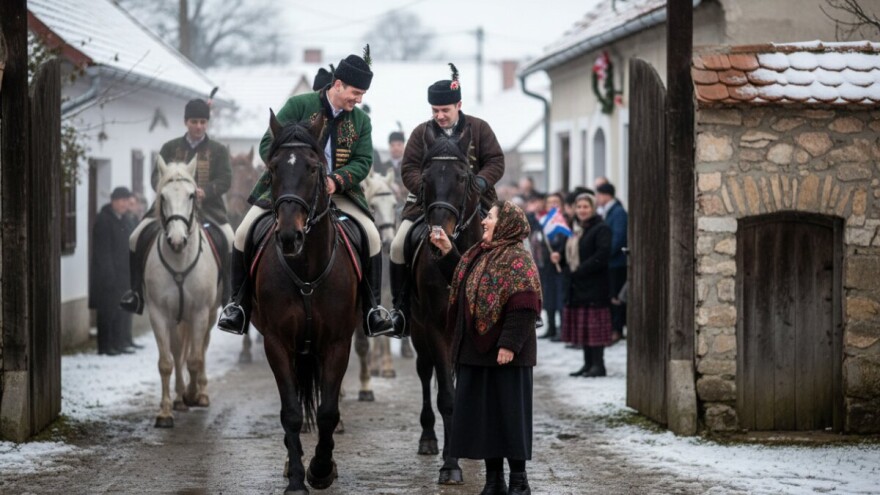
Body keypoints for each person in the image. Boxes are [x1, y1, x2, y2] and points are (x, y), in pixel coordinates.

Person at [218, 47, 396, 337]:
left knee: (372, 236)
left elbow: (363, 161)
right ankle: (237, 306)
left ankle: (373, 309)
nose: (359, 99)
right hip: (290, 190)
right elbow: (267, 144)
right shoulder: (299, 105)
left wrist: (336, 181)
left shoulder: (361, 121)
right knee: (242, 233)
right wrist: (292, 169)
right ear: (338, 85)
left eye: (363, 94)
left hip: (338, 192)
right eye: (355, 92)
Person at [429, 200, 541, 495]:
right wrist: (446, 251)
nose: (485, 221)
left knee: (510, 417)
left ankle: (519, 482)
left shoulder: (518, 259)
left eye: (490, 217)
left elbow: (525, 305)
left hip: (507, 356)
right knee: (486, 419)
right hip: (476, 353)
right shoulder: (480, 254)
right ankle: (494, 482)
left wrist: (509, 344)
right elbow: (465, 282)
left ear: (506, 224)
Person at [388, 63, 505, 336]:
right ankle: (401, 310)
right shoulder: (421, 133)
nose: (440, 116)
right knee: (396, 246)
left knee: (513, 239)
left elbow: (496, 161)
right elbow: (409, 169)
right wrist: (430, 190)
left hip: (477, 199)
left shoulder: (479, 128)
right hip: (427, 204)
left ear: (458, 105)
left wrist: (478, 183)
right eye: (435, 111)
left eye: (445, 110)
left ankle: (513, 304)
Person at [120, 98, 234, 315]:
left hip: (209, 208)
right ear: (185, 122)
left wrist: (205, 191)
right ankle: (135, 293)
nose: (198, 126)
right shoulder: (170, 147)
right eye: (194, 121)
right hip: (170, 208)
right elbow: (156, 177)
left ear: (207, 123)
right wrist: (168, 188)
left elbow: (226, 178)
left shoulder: (218, 150)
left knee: (230, 239)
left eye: (202, 122)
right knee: (135, 236)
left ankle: (228, 296)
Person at [552, 193, 613, 377]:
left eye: (586, 207)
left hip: (595, 286)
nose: (582, 210)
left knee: (594, 327)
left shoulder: (601, 228)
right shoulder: (574, 229)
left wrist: (579, 270)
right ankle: (587, 364)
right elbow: (566, 254)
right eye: (579, 207)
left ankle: (598, 365)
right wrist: (559, 257)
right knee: (584, 327)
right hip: (577, 286)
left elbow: (602, 255)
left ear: (593, 208)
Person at [90, 187, 137, 356]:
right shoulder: (104, 219)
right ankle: (105, 346)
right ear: (114, 201)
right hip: (108, 276)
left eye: (127, 200)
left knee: (120, 310)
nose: (126, 204)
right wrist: (108, 274)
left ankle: (118, 342)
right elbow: (103, 251)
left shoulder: (123, 220)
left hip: (123, 274)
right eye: (123, 200)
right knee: (107, 311)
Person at [596, 182, 628, 342]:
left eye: (599, 194)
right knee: (611, 296)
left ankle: (617, 329)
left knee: (616, 298)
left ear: (606, 195)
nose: (597, 198)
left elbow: (618, 237)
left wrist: (605, 254)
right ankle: (614, 328)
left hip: (616, 263)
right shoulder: (610, 211)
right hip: (610, 262)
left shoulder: (618, 212)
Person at [535, 191, 567, 340]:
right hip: (546, 265)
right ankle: (551, 327)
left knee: (560, 297)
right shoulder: (543, 222)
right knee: (548, 297)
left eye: (556, 202)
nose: (553, 205)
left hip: (561, 265)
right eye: (550, 202)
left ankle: (562, 329)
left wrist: (560, 253)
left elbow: (568, 242)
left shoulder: (565, 221)